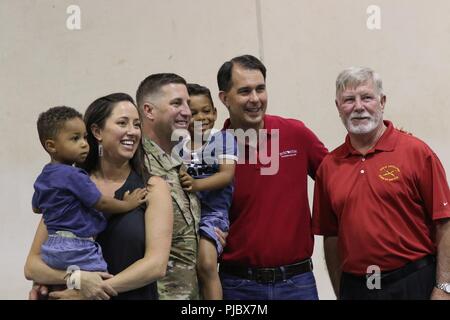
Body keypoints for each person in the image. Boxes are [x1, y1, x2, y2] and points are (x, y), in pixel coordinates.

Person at [312, 67, 450, 300]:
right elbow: (331, 236)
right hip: (357, 287)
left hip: (414, 282)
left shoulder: (417, 153)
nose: (358, 106)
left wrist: (444, 287)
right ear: (338, 108)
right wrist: (341, 292)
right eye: (348, 100)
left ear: (382, 101)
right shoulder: (329, 166)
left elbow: (444, 223)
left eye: (366, 97)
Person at [25, 93, 173, 300]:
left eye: (137, 124)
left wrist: (87, 292)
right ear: (97, 131)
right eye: (122, 123)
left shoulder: (153, 187)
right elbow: (32, 266)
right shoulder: (69, 182)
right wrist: (76, 279)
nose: (133, 132)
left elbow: (156, 266)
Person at [216, 54, 328, 300]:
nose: (255, 99)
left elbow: (339, 176)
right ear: (225, 98)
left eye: (260, 89)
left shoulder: (296, 134)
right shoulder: (213, 150)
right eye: (244, 91)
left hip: (297, 284)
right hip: (238, 287)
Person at [32, 106, 147, 274]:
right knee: (99, 280)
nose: (84, 144)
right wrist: (127, 204)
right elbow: (101, 202)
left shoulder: (44, 176)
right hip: (77, 246)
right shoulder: (74, 175)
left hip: (51, 245)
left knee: (63, 283)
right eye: (75, 139)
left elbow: (36, 207)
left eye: (85, 138)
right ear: (51, 146)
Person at [178, 83, 238, 299]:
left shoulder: (223, 139)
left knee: (206, 264)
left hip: (212, 214)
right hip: (184, 216)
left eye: (206, 111)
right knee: (187, 270)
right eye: (193, 113)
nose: (201, 117)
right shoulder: (178, 144)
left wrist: (196, 185)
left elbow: (225, 175)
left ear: (215, 112)